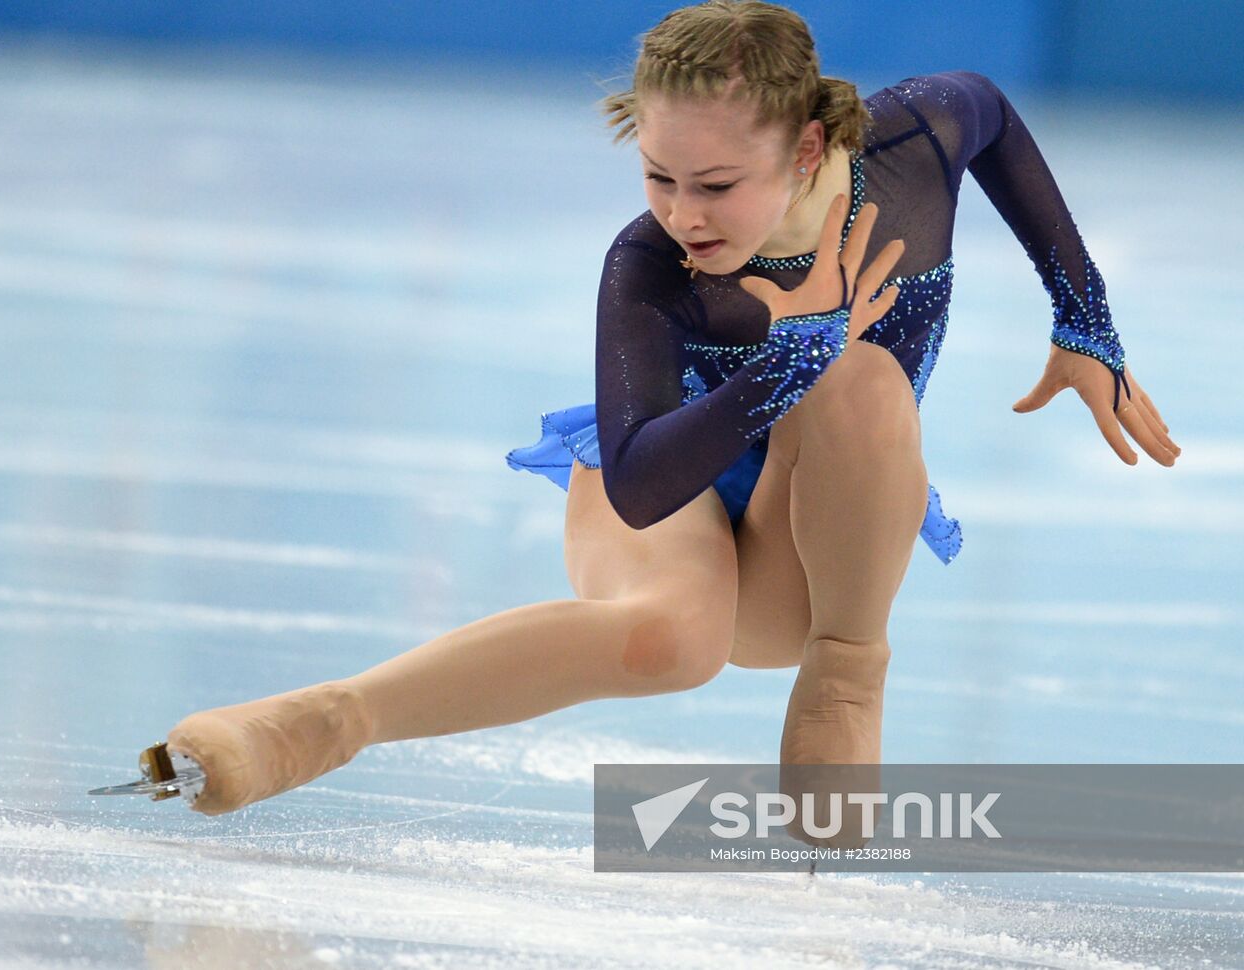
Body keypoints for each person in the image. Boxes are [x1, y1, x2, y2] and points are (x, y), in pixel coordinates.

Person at [158, 0, 1179, 818]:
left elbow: (990, 112)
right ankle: (326, 719)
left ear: (809, 145)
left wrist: (1083, 318)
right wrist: (784, 361)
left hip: (816, 527)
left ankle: (843, 678)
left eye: (718, 184)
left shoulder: (914, 144)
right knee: (670, 639)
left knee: (862, 381)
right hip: (665, 476)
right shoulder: (647, 266)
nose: (683, 214)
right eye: (658, 176)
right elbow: (643, 484)